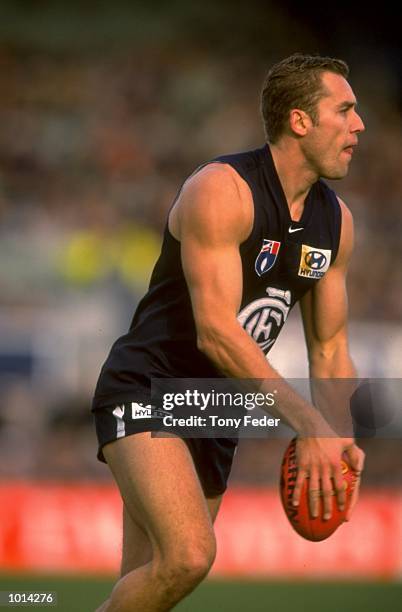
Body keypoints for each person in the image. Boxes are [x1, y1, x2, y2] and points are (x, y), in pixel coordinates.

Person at [92, 53, 366, 611]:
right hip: (148, 384)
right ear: (299, 120)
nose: (359, 125)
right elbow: (216, 332)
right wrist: (307, 421)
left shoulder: (336, 222)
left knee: (153, 583)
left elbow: (331, 347)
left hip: (216, 408)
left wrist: (336, 438)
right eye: (345, 109)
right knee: (190, 556)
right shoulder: (223, 189)